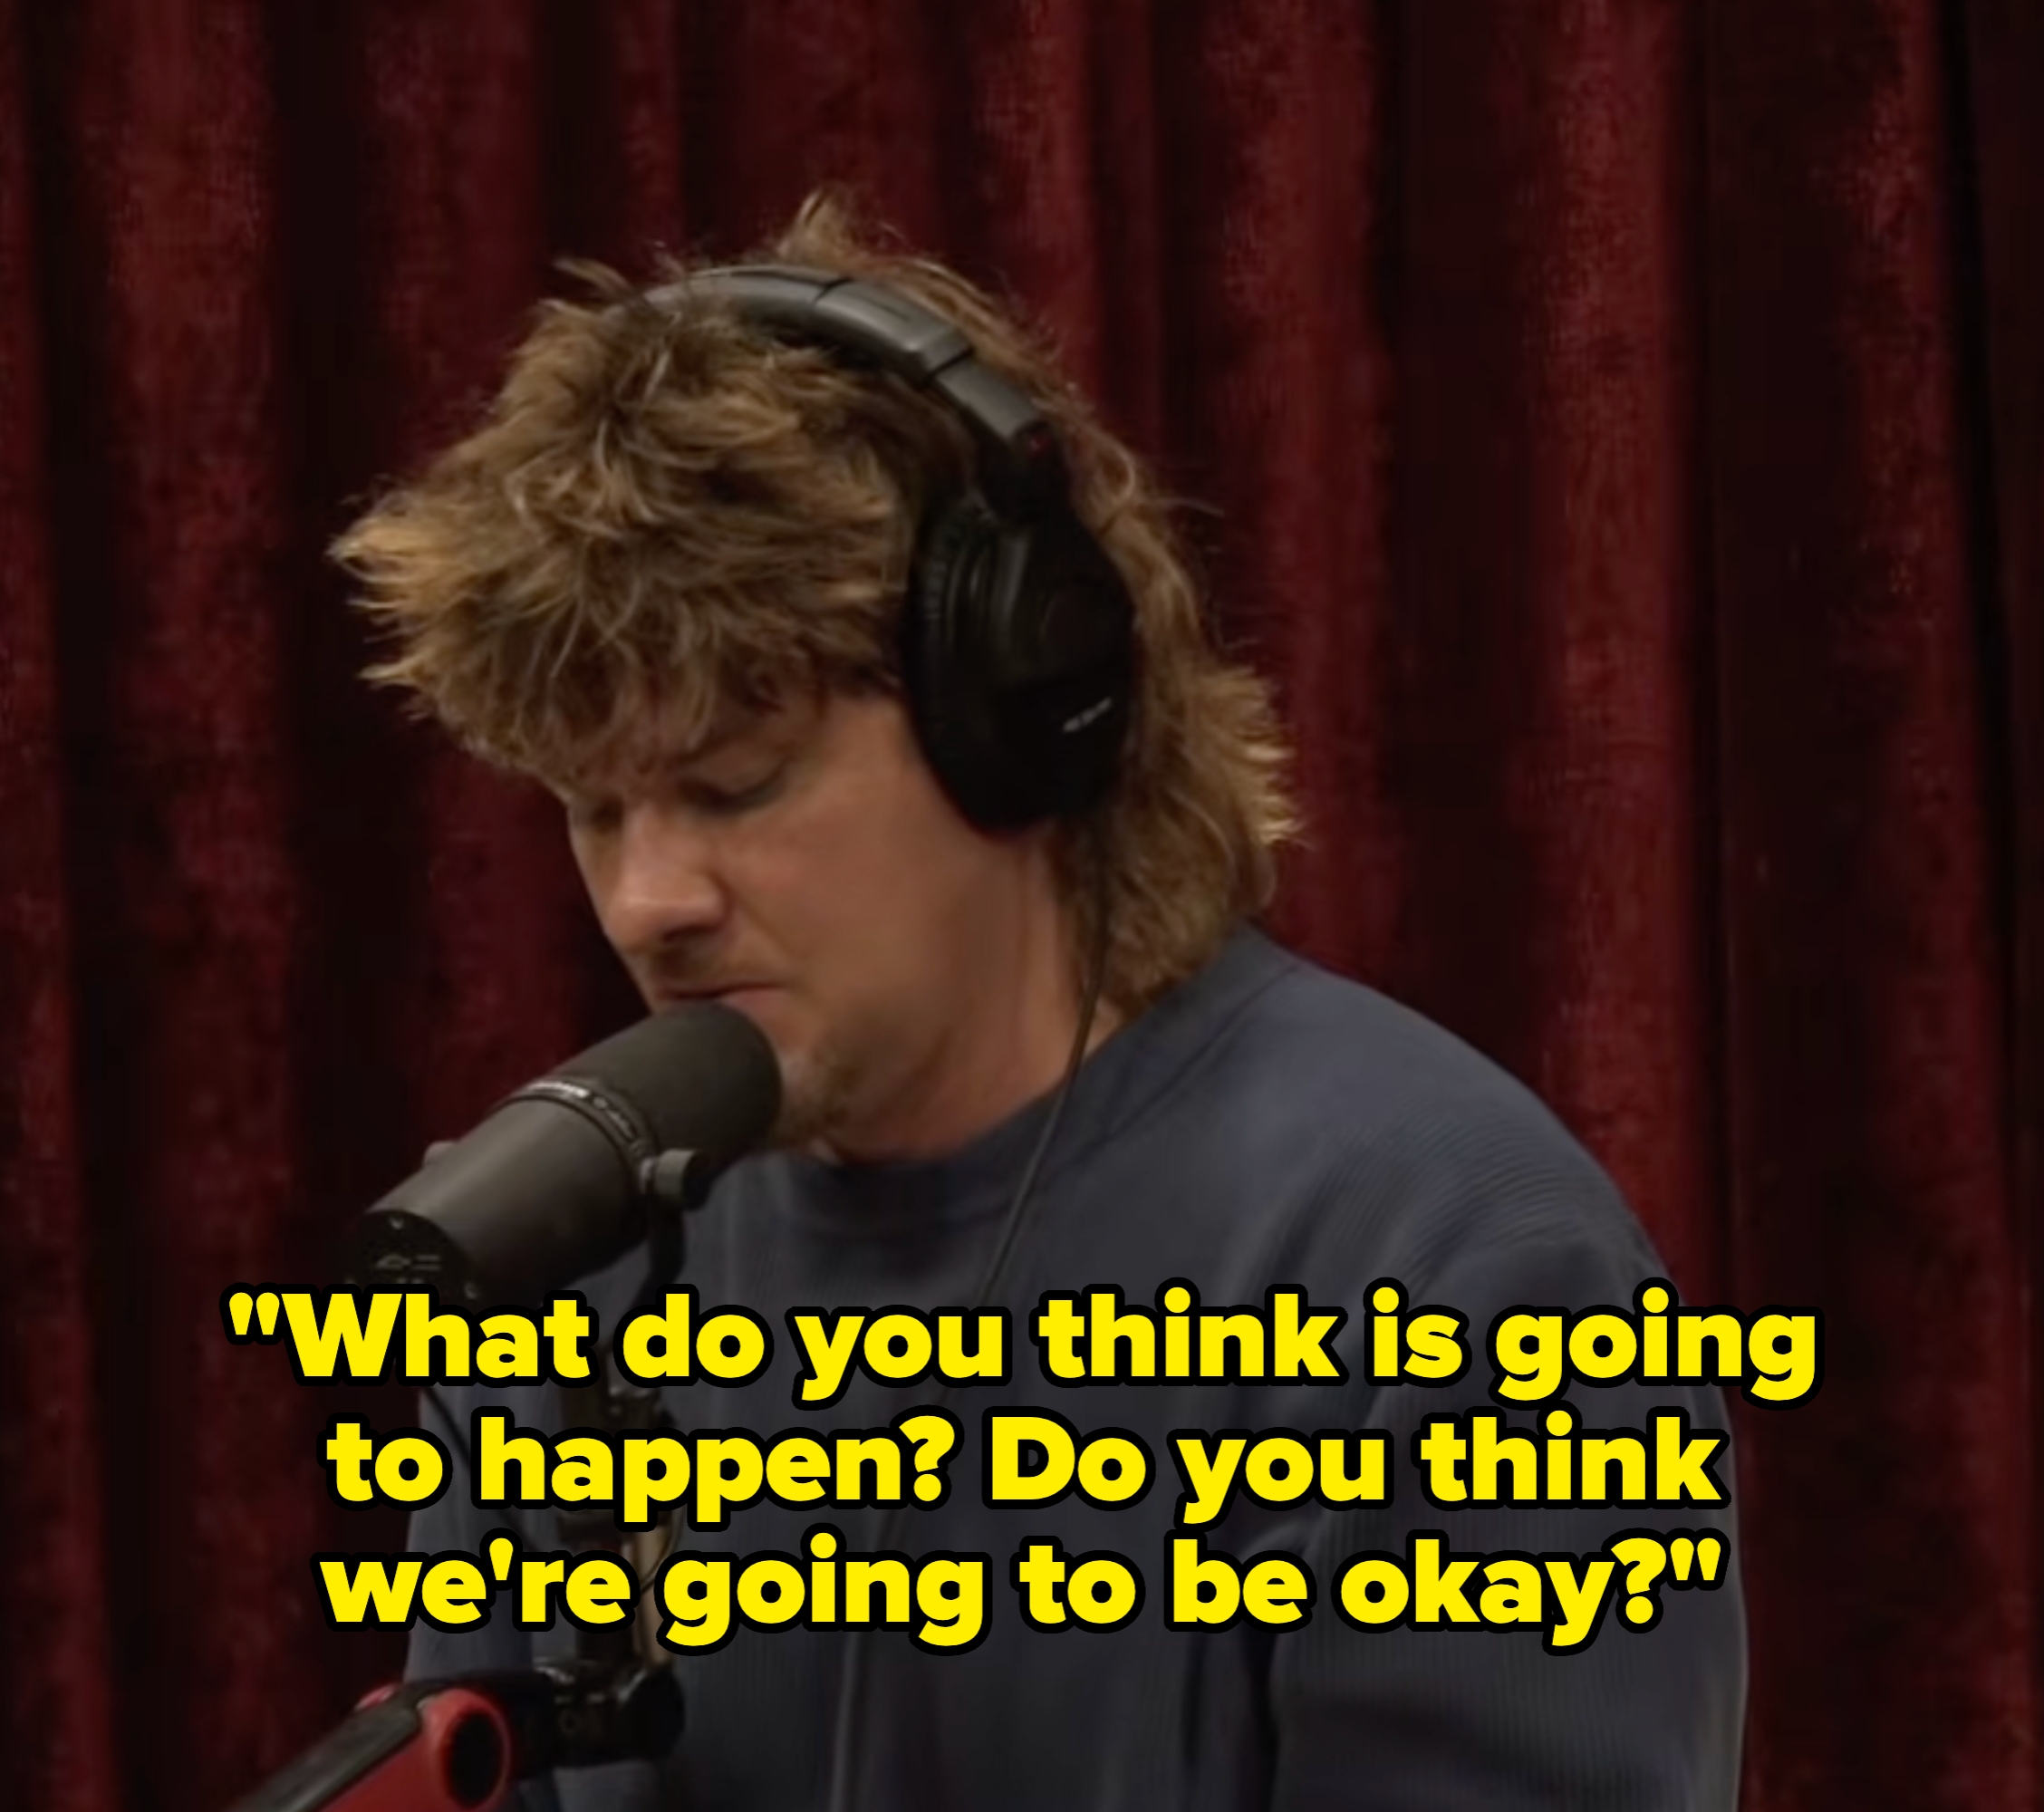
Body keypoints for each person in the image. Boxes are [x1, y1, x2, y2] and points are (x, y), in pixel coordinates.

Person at [335, 193, 1746, 1810]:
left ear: (1023, 718)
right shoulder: (565, 1264)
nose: (651, 901)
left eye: (737, 783)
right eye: (596, 811)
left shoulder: (1458, 1269)